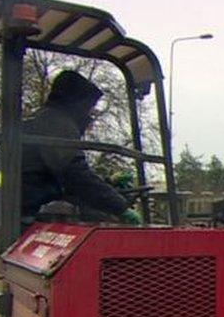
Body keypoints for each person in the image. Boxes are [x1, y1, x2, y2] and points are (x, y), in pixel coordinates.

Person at [21, 70, 141, 224]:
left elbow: (66, 172)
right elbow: (76, 175)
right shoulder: (58, 125)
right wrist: (120, 207)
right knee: (106, 221)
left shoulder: (41, 119)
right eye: (91, 106)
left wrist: (108, 183)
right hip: (38, 207)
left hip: (31, 199)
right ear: (79, 103)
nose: (93, 112)